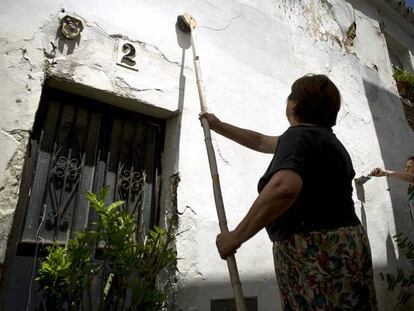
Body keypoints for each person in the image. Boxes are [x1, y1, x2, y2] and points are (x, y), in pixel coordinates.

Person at [201, 74, 377, 310]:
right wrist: (219, 126)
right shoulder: (325, 141)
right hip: (346, 246)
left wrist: (235, 238)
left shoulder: (298, 137)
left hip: (317, 250)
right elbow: (262, 141)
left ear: (294, 105)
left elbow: (284, 188)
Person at [371, 158, 414, 225]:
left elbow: (412, 178)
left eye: (409, 167)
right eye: (406, 167)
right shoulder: (411, 190)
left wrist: (386, 173)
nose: (406, 169)